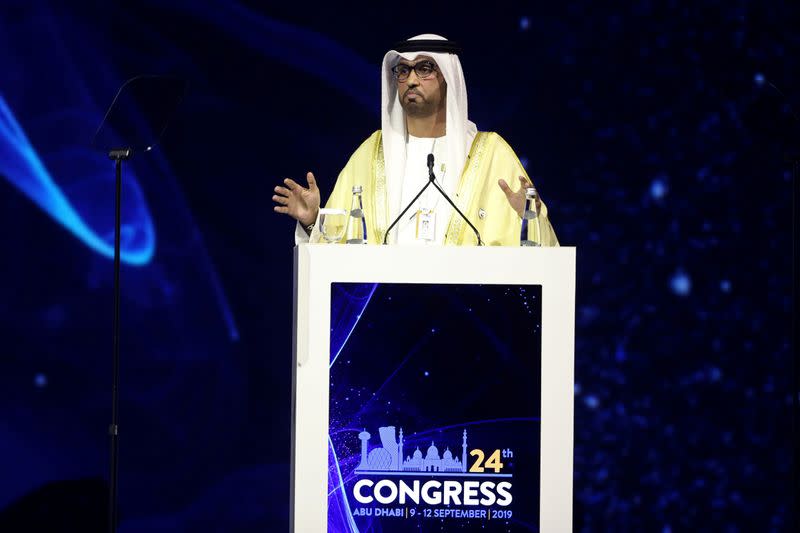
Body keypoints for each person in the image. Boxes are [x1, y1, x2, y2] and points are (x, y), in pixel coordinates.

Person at [272, 34, 559, 246]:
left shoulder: (491, 153)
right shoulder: (372, 153)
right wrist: (312, 223)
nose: (411, 79)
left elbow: (539, 256)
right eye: (403, 70)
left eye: (424, 68)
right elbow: (339, 254)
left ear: (447, 77)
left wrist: (528, 219)